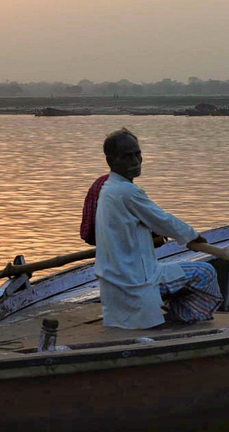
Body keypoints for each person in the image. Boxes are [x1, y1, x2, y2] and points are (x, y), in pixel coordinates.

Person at [94, 129, 222, 330]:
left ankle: (172, 312)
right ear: (111, 161)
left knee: (192, 273)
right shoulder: (127, 191)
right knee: (206, 273)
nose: (135, 161)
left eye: (137, 154)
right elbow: (163, 220)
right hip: (135, 280)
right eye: (127, 156)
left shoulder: (108, 189)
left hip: (117, 279)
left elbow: (149, 221)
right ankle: (184, 320)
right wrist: (193, 236)